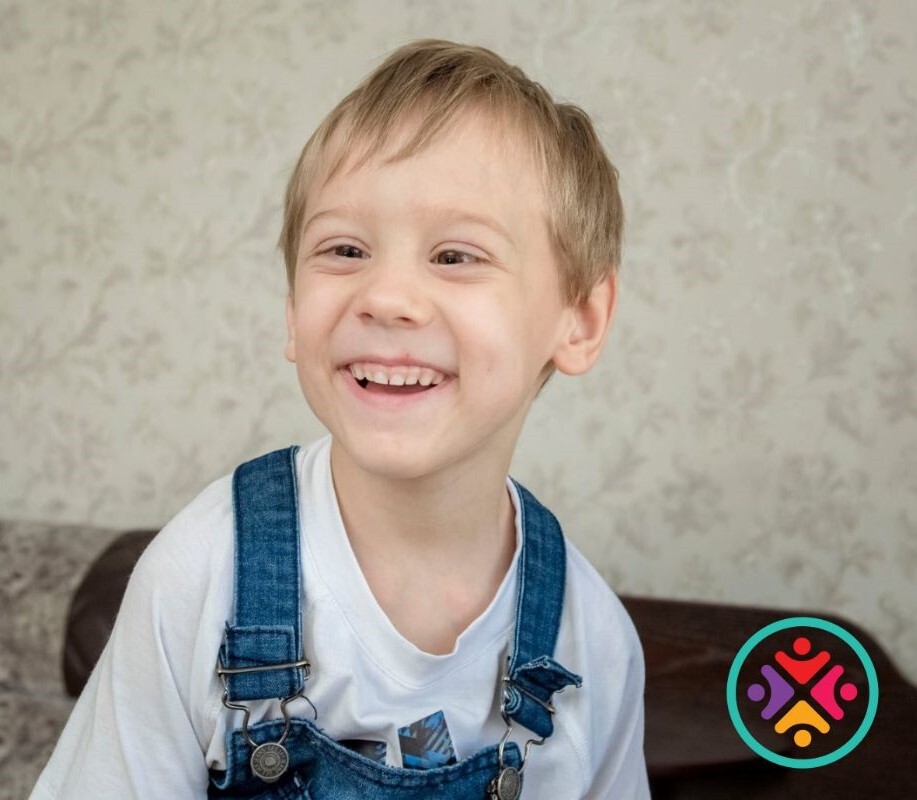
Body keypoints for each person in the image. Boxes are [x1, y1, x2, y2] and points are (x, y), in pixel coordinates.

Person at [30, 38, 650, 799]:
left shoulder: (590, 643)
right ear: (293, 311)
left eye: (455, 256)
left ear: (579, 320)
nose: (385, 297)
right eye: (346, 249)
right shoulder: (199, 573)